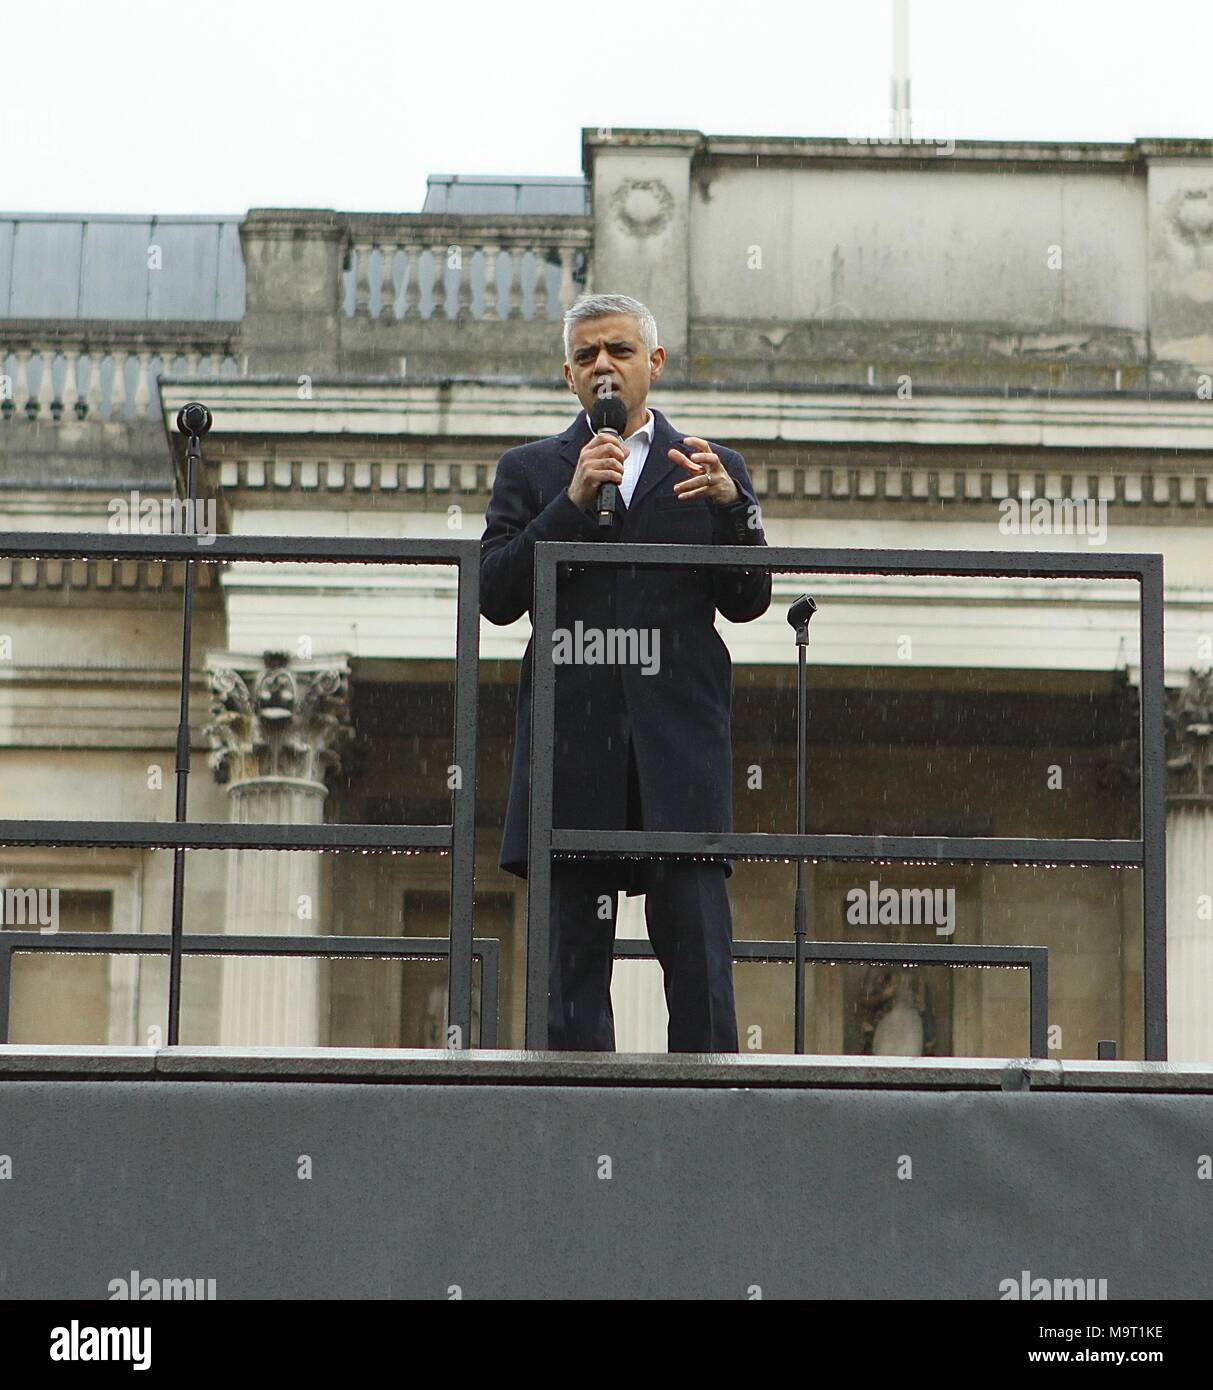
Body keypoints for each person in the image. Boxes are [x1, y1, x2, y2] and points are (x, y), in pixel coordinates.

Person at [480, 293, 770, 1052]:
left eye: (618, 351)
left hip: (676, 747)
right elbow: (495, 596)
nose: (602, 366)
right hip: (572, 746)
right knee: (568, 975)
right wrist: (569, 504)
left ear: (655, 363)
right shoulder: (532, 469)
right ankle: (576, 1124)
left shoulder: (710, 469)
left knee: (699, 956)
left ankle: (711, 1112)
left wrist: (734, 511)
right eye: (586, 356)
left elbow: (747, 602)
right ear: (567, 376)